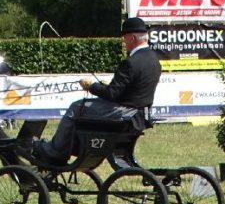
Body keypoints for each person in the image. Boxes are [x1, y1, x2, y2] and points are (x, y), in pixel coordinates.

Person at [30, 17, 161, 164]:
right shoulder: (153, 59)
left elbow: (113, 94)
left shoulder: (131, 62)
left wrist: (91, 86)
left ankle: (55, 151)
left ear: (131, 38)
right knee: (81, 107)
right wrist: (107, 86)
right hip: (140, 113)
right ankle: (69, 146)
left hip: (126, 112)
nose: (123, 42)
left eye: (124, 38)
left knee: (76, 107)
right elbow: (132, 89)